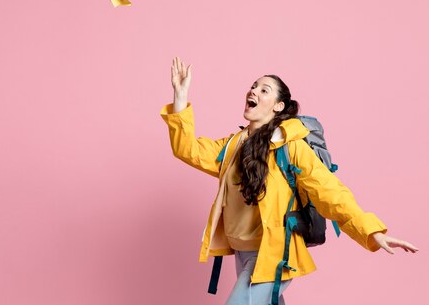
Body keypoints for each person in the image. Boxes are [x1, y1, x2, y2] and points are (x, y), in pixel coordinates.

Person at [159, 56, 418, 305]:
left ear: (278, 106)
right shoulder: (233, 146)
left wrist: (370, 231)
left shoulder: (291, 147)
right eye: (253, 86)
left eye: (264, 90)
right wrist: (180, 97)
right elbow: (188, 150)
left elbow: (329, 192)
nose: (254, 91)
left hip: (273, 252)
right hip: (242, 251)